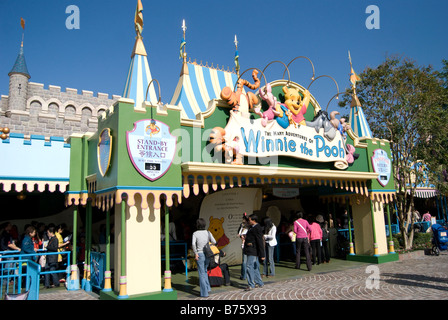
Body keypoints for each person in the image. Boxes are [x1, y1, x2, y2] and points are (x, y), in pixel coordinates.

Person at [192, 218, 216, 298]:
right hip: (207, 254)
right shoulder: (208, 232)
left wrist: (195, 253)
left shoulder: (195, 233)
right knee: (205, 271)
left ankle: (204, 293)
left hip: (200, 254)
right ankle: (208, 288)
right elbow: (214, 242)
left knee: (201, 273)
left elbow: (193, 244)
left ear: (197, 225)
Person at [243, 214, 265, 291]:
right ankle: (259, 282)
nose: (249, 221)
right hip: (250, 249)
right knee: (255, 267)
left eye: (250, 220)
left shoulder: (257, 228)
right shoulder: (253, 227)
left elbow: (260, 241)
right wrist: (245, 216)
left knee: (249, 266)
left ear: (253, 220)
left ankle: (251, 284)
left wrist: (262, 254)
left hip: (253, 250)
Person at [237, 213, 250, 280]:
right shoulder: (242, 226)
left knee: (245, 261)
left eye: (243, 219)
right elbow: (239, 233)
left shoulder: (248, 227)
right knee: (244, 261)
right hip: (243, 244)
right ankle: (244, 275)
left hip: (247, 245)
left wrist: (243, 236)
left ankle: (244, 275)